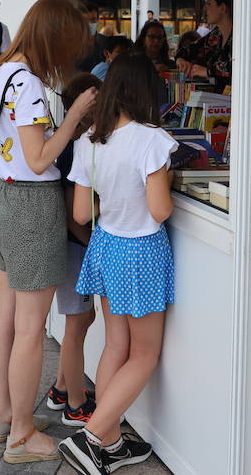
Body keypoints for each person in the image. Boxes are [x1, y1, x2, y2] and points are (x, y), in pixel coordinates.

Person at [0, 0, 97, 463]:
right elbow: (38, 157)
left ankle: (6, 417)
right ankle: (21, 437)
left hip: (6, 200)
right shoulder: (28, 83)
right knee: (31, 328)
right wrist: (73, 117)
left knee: (7, 317)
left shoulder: (1, 73)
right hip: (32, 206)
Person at [59, 51, 174, 474]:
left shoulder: (91, 140)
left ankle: (108, 441)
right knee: (145, 353)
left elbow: (82, 214)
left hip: (106, 246)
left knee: (115, 345)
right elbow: (160, 211)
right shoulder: (152, 141)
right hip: (141, 252)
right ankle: (93, 438)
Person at [46, 72, 103, 428]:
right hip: (73, 246)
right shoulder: (74, 146)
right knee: (77, 322)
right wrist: (92, 244)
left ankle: (61, 389)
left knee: (81, 319)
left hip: (74, 245)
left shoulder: (76, 142)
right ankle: (76, 405)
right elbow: (72, 214)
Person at [175, 0, 233, 86]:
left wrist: (207, 71)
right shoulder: (215, 35)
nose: (205, 8)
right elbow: (186, 50)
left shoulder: (241, 36)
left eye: (209, 3)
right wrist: (180, 60)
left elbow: (237, 67)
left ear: (223, 8)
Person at [77, 0, 107, 72]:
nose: (89, 23)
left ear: (97, 19)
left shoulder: (106, 42)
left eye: (93, 20)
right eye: (85, 20)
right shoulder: (71, 45)